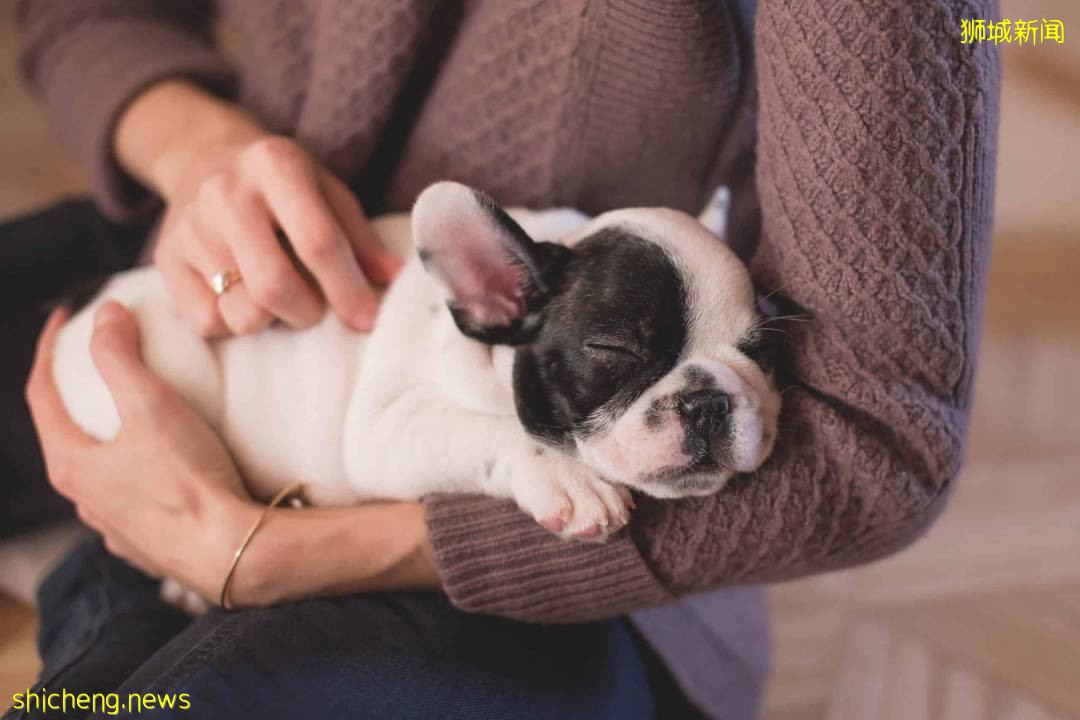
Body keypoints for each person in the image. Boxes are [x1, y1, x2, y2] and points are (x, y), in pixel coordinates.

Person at [5, 0, 999, 717]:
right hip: (216, 276)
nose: (702, 401)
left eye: (748, 357)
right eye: (626, 361)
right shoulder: (512, 290)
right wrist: (198, 151)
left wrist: (266, 557)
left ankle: (105, 601)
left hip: (558, 582)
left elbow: (878, 443)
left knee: (195, 699)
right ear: (490, 296)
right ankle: (116, 588)